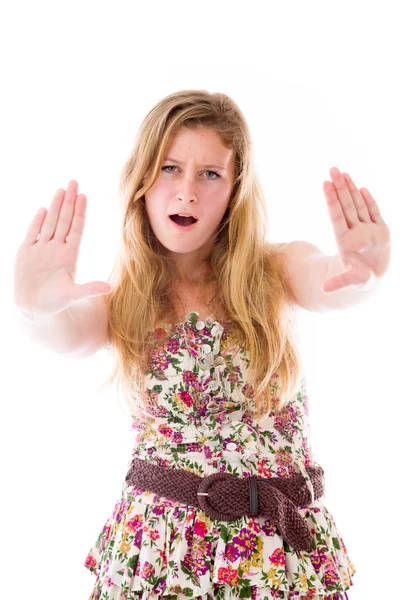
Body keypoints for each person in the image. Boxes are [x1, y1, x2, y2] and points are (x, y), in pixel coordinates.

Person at [13, 90, 391, 600]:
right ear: (142, 181)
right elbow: (65, 334)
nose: (186, 191)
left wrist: (362, 277)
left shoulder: (275, 270)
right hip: (165, 552)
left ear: (234, 189)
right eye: (170, 168)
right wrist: (34, 310)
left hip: (282, 552)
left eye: (209, 174)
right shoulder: (124, 300)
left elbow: (329, 283)